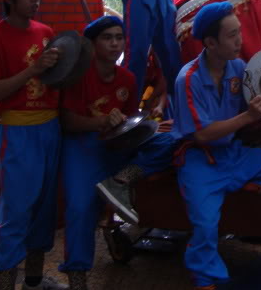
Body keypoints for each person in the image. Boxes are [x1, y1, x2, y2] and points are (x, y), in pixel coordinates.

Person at [172, 2, 261, 289]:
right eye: (232, 35)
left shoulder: (239, 68)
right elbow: (203, 135)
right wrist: (248, 116)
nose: (240, 40)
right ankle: (206, 277)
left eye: (240, 32)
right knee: (206, 225)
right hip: (201, 160)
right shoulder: (188, 79)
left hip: (234, 153)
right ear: (210, 42)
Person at [57, 17, 175, 289]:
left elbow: (131, 121)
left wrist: (144, 121)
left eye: (119, 37)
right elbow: (66, 121)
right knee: (79, 207)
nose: (115, 43)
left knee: (172, 141)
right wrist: (100, 122)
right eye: (107, 38)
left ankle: (120, 180)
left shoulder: (128, 78)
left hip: (117, 145)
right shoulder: (78, 75)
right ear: (92, 43)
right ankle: (77, 278)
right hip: (83, 146)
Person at [0, 0, 65, 290]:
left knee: (44, 210)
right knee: (16, 212)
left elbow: (54, 80)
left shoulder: (45, 31)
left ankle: (34, 281)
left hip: (50, 129)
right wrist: (33, 70)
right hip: (17, 132)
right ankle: (5, 285)